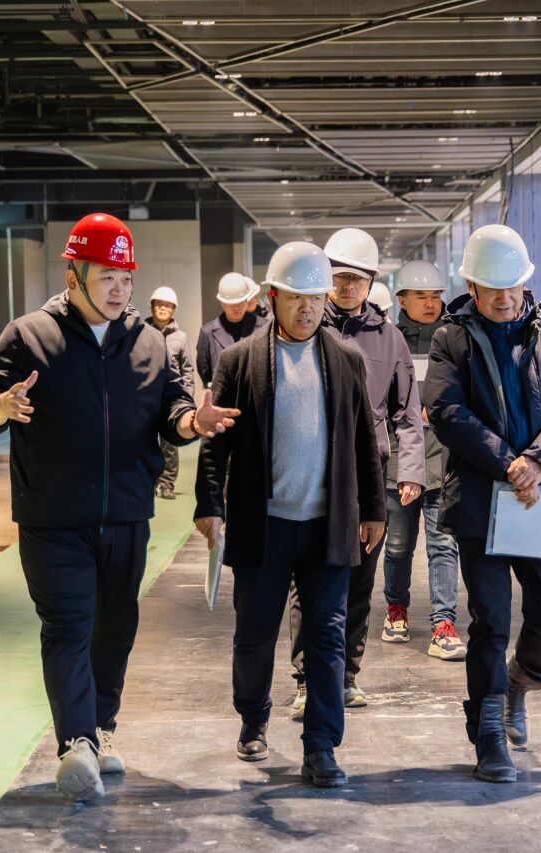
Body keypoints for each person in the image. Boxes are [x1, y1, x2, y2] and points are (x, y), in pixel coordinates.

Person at [0, 213, 239, 802]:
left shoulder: (147, 342)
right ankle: (76, 744)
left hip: (125, 515)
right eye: (107, 277)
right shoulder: (28, 335)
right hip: (52, 516)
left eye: (125, 278)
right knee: (68, 626)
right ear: (74, 276)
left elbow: (172, 410)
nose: (119, 289)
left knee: (115, 629)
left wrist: (193, 422)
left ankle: (102, 727)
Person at [194, 241, 385, 788]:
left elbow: (364, 439)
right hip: (265, 524)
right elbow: (216, 441)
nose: (308, 308)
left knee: (327, 638)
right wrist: (209, 504)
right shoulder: (239, 361)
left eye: (316, 298)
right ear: (272, 298)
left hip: (327, 525)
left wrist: (373, 507)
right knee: (255, 633)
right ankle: (253, 719)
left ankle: (321, 746)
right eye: (297, 297)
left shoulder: (346, 358)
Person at [426, 224, 541, 783]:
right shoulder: (451, 338)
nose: (504, 298)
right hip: (482, 502)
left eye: (513, 286)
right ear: (471, 286)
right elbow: (446, 410)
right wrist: (508, 463)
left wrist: (538, 461)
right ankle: (489, 733)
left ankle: (520, 680)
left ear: (526, 283)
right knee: (490, 621)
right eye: (492, 288)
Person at [288, 227, 424, 717]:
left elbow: (407, 411)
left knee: (360, 583)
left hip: (371, 478)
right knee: (308, 580)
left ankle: (345, 676)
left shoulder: (390, 338)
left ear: (371, 282)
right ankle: (308, 680)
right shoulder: (303, 327)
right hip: (311, 474)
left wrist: (410, 471)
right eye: (340, 277)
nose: (348, 287)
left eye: (357, 279)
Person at [381, 259, 466, 661]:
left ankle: (443, 623)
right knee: (398, 544)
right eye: (421, 296)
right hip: (400, 458)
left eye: (435, 296)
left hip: (446, 458)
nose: (431, 304)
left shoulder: (454, 337)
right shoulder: (387, 340)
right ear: (402, 299)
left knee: (443, 544)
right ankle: (396, 608)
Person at [147, 285, 194, 500]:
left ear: (173, 309)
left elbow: (187, 370)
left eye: (168, 306)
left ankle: (167, 484)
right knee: (146, 442)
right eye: (160, 305)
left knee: (170, 444)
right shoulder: (141, 332)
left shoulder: (181, 338)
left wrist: (187, 400)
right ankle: (150, 482)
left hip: (170, 399)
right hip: (146, 397)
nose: (163, 309)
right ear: (152, 307)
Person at [197, 272, 269, 387]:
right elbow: (205, 371)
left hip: (254, 394)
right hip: (223, 394)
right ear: (222, 303)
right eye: (231, 304)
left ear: (247, 300)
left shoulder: (265, 327)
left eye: (240, 302)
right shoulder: (207, 332)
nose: (236, 308)